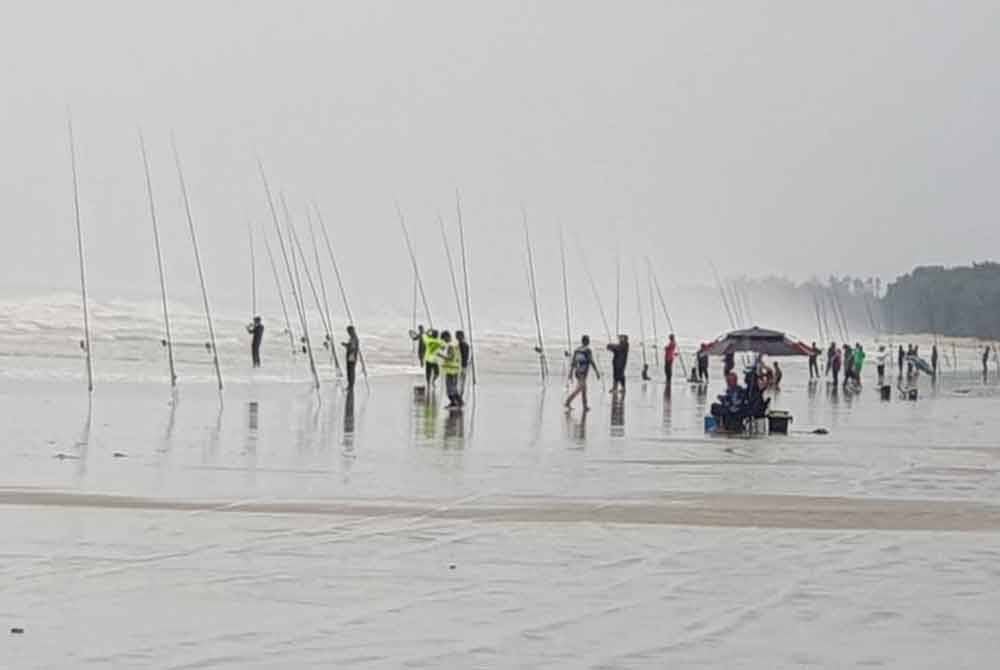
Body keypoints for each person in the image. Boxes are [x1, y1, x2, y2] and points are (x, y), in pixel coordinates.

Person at [565, 335, 600, 411]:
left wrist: (571, 373)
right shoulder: (587, 350)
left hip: (577, 371)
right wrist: (596, 371)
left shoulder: (577, 350)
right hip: (583, 372)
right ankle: (568, 401)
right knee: (579, 389)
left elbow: (573, 363)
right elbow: (591, 361)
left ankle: (585, 406)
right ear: (587, 341)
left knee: (584, 389)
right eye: (588, 340)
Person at [439, 331, 463, 409]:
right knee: (454, 387)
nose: (443, 341)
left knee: (450, 388)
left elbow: (450, 357)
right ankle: (460, 402)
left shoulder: (450, 346)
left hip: (451, 370)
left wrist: (440, 355)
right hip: (455, 368)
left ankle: (453, 403)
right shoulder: (455, 345)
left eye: (443, 339)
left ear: (447, 337)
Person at [341, 325, 360, 390]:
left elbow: (351, 347)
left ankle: (350, 385)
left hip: (351, 356)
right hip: (352, 355)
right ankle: (350, 385)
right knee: (351, 370)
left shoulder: (353, 338)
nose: (348, 333)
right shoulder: (354, 338)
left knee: (350, 371)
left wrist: (345, 345)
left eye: (349, 331)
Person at [456, 330, 471, 394]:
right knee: (461, 381)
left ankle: (460, 394)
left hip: (461, 366)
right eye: (456, 335)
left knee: (459, 381)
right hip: (464, 365)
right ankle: (461, 393)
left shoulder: (461, 345)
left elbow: (463, 356)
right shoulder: (465, 344)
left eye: (457, 335)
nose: (456, 337)